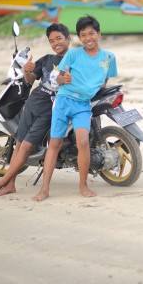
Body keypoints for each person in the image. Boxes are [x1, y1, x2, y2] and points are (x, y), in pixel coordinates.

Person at [32, 14, 117, 201]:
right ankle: (44, 189)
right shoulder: (72, 54)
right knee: (54, 144)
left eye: (91, 33)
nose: (88, 38)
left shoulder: (109, 57)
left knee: (83, 142)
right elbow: (58, 78)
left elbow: (104, 81)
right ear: (79, 37)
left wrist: (91, 87)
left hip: (82, 105)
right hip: (63, 101)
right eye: (83, 35)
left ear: (99, 34)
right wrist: (65, 79)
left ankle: (83, 185)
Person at [0, 23, 71, 196]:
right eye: (51, 40)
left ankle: (3, 181)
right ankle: (10, 184)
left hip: (49, 112)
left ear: (68, 39)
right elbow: (29, 80)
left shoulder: (73, 59)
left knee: (26, 147)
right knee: (18, 145)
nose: (56, 43)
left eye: (59, 38)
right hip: (32, 105)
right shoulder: (47, 59)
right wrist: (27, 70)